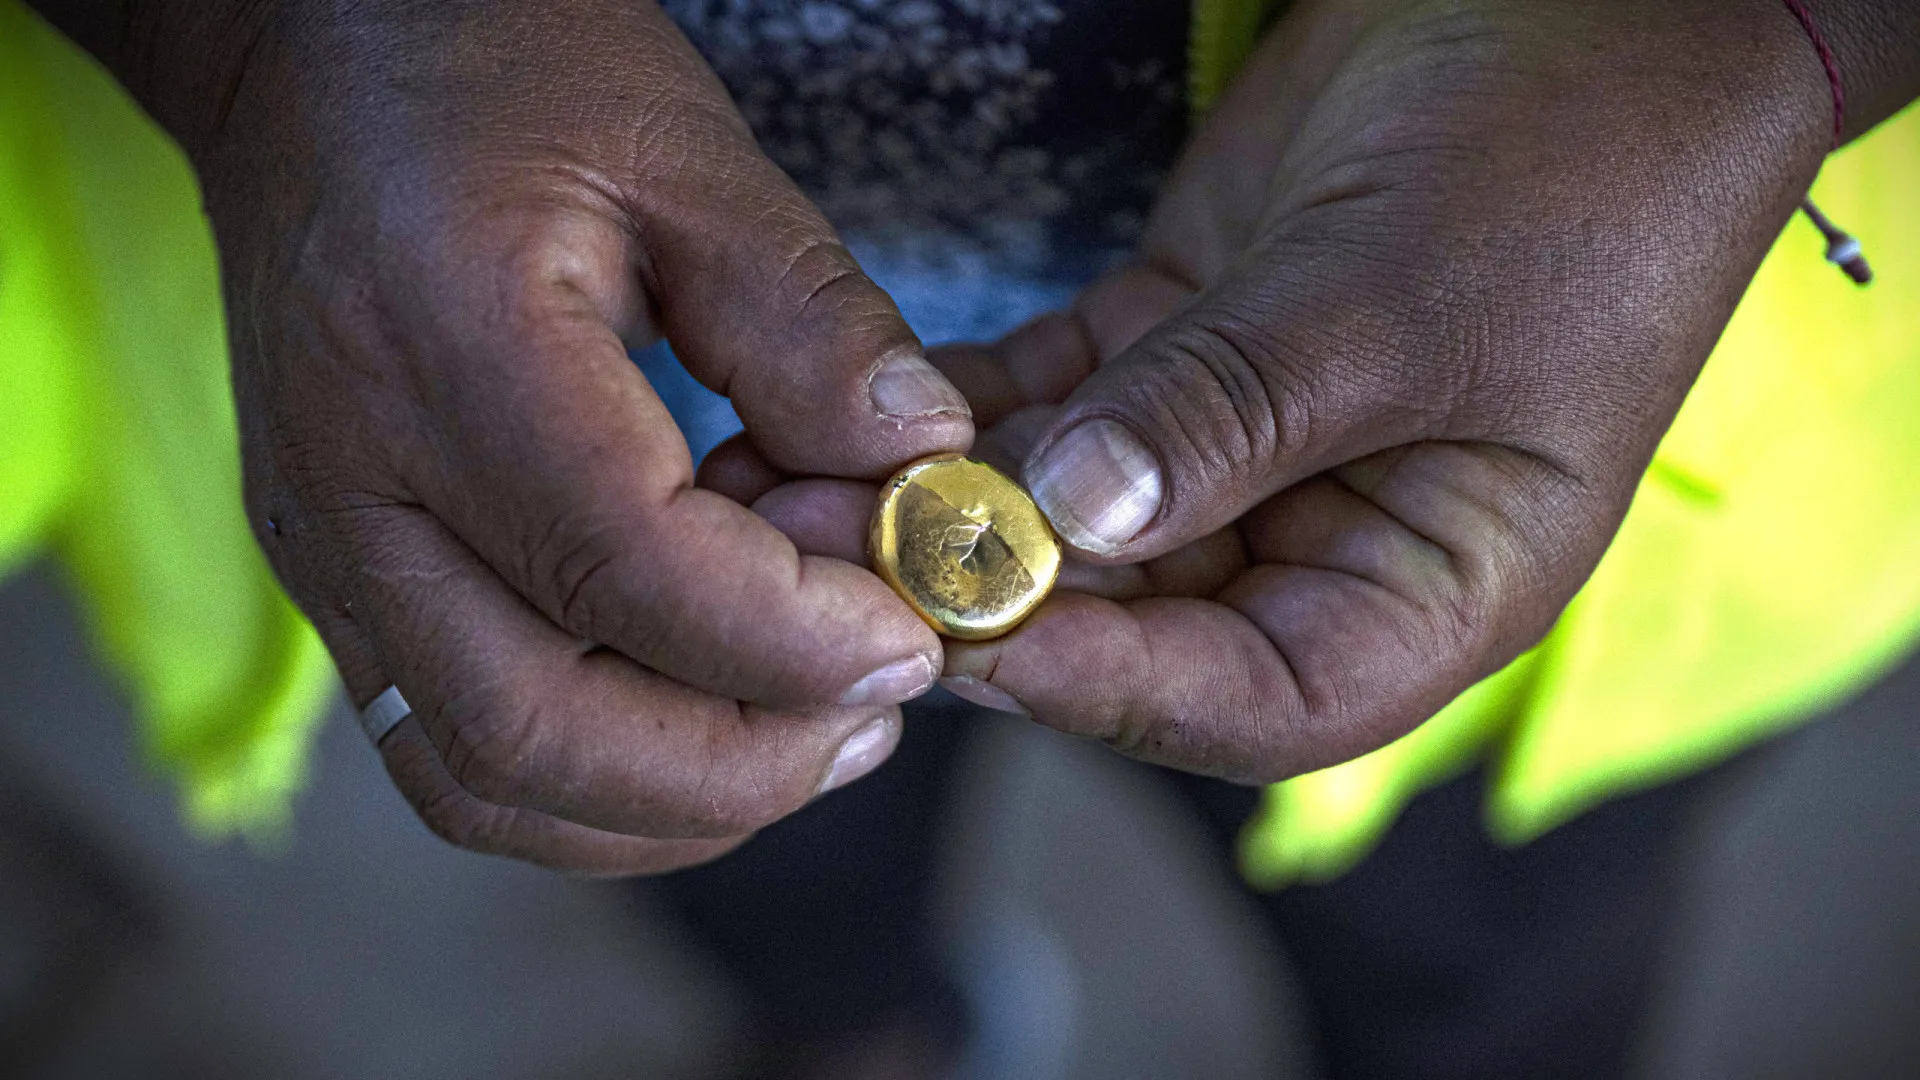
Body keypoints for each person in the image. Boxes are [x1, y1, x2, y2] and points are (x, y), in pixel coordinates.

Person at [4, 0, 1918, 1073]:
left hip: (1558, 425)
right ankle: (860, 1038)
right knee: (743, 847)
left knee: (1481, 971)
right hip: (548, 401)